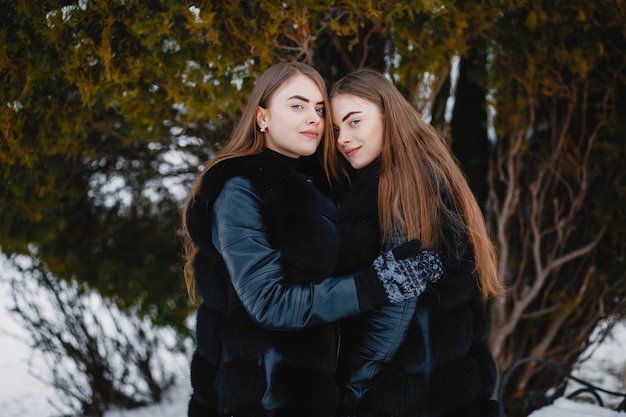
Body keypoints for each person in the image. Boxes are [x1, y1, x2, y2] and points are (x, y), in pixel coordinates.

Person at [181, 62, 444, 417]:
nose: (314, 118)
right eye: (297, 105)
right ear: (262, 117)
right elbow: (268, 302)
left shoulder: (320, 185)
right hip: (262, 397)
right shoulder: (240, 189)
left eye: (319, 109)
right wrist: (373, 285)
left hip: (313, 394)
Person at [325, 68, 504, 417]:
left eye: (354, 121)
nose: (343, 137)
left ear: (388, 115)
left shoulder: (400, 186)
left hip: (403, 392)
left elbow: (397, 305)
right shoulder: (417, 171)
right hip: (441, 385)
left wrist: (353, 390)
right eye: (336, 129)